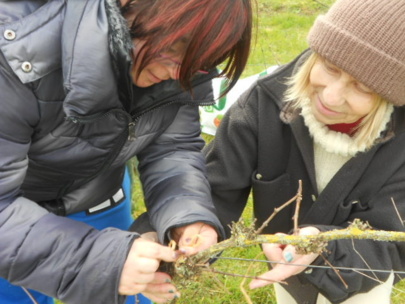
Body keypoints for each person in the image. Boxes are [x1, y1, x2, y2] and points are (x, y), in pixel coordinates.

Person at [0, 0, 253, 304]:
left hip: (100, 198)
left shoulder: (184, 69)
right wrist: (94, 260)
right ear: (127, 6)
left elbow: (173, 147)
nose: (176, 73)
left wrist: (186, 215)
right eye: (172, 48)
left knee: (129, 284)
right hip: (11, 225)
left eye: (196, 61)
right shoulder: (16, 53)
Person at [203, 0, 405, 303]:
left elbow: (392, 240)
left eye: (362, 87)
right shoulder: (262, 104)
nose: (332, 96)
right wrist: (187, 229)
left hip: (362, 282)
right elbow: (214, 189)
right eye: (330, 66)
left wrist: (322, 247)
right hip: (284, 273)